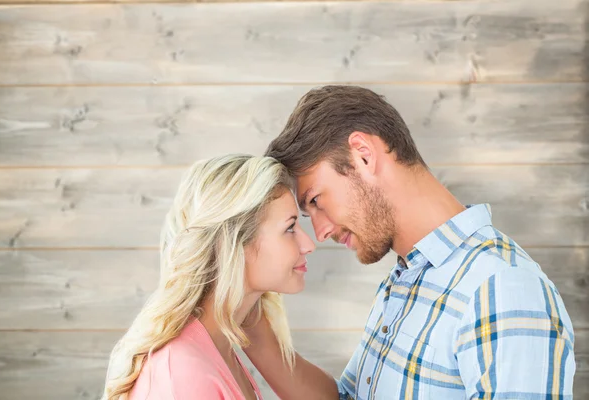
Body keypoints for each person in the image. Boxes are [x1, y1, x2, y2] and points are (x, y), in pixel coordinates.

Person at [243, 85, 576, 399]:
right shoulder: (405, 281)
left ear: (363, 154)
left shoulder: (501, 289)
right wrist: (252, 327)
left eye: (316, 200)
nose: (321, 232)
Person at [101, 154, 315, 400]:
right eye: (290, 228)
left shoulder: (218, 349)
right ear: (234, 244)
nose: (308, 244)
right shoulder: (184, 373)